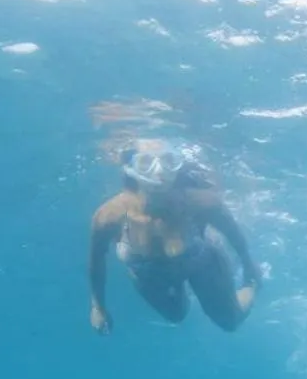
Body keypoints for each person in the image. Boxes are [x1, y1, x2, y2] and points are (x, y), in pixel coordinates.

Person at [87, 140, 262, 334]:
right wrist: (98, 306)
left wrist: (250, 268)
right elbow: (96, 261)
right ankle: (182, 289)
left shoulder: (201, 202)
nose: (159, 172)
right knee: (176, 315)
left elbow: (234, 234)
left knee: (230, 321)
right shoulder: (109, 215)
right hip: (150, 275)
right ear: (130, 168)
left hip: (201, 262)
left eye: (168, 161)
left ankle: (250, 287)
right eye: (146, 164)